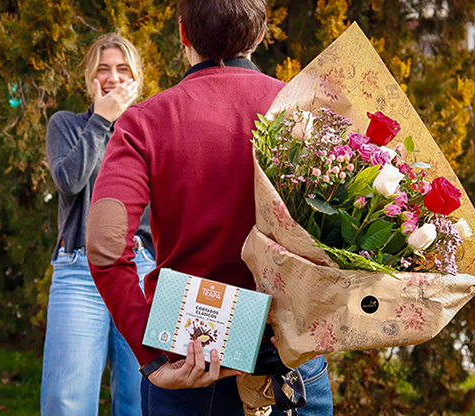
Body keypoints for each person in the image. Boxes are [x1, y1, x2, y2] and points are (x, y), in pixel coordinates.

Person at [86, 1, 332, 415]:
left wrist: (151, 355)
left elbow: (105, 249)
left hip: (191, 363)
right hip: (291, 365)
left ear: (183, 34)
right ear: (260, 34)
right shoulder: (304, 111)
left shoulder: (144, 122)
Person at [40, 33, 156, 416]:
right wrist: (103, 119)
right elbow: (70, 180)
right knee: (66, 401)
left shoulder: (149, 132)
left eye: (122, 68)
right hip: (78, 270)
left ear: (137, 78)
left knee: (140, 398)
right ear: (90, 76)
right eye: (104, 68)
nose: (112, 77)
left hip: (138, 270)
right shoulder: (67, 126)